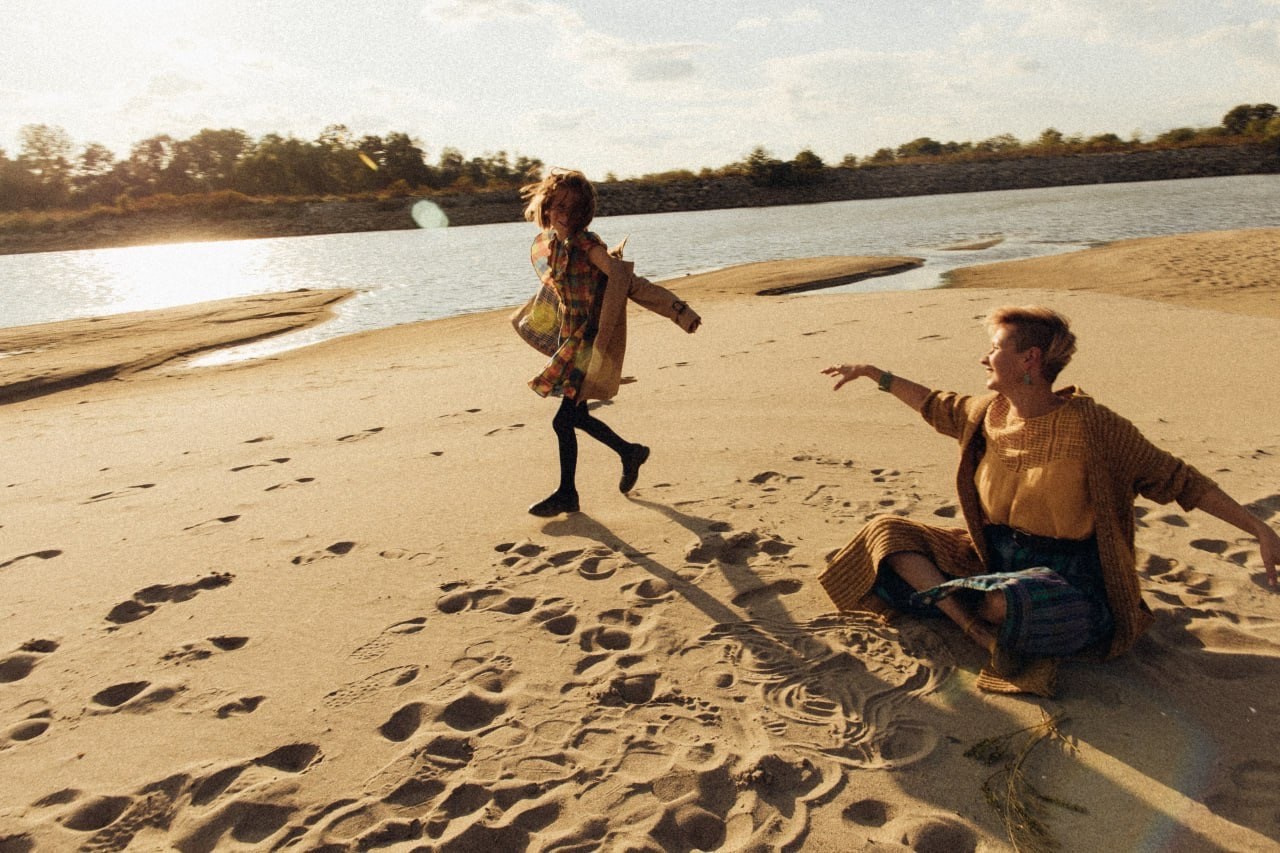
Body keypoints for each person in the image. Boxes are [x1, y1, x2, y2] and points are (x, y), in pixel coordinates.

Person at [819, 305, 1279, 696]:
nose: (984, 358)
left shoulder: (1095, 427)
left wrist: (1258, 528)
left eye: (994, 348)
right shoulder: (986, 413)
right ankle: (977, 632)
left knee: (1006, 599)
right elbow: (934, 403)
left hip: (1069, 579)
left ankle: (970, 608)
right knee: (887, 533)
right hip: (991, 558)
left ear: (1029, 358)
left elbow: (1180, 480)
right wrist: (876, 375)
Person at [512, 169, 701, 517]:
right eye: (559, 205)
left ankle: (568, 493)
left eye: (574, 207)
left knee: (562, 421)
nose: (565, 213)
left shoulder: (587, 246)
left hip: (590, 345)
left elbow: (627, 280)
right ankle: (630, 452)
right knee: (578, 417)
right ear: (547, 206)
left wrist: (678, 310)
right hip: (570, 341)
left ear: (584, 211)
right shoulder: (555, 246)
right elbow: (554, 291)